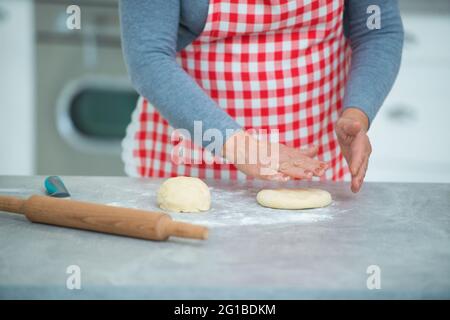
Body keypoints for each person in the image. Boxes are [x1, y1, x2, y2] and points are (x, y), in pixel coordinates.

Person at [119, 0, 403, 193]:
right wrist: (239, 146)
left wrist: (357, 113)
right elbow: (148, 57)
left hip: (314, 159)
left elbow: (377, 32)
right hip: (191, 160)